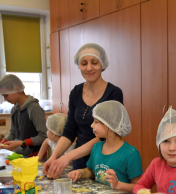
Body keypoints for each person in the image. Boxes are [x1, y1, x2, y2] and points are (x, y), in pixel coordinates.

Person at [43, 43, 123, 177]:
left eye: (95, 62)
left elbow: (106, 136)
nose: (89, 68)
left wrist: (68, 156)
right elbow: (69, 130)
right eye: (84, 63)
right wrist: (55, 156)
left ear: (102, 64)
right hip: (79, 163)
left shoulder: (114, 94)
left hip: (105, 162)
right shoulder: (76, 92)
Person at [68, 101, 143, 192]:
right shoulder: (96, 148)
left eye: (96, 122)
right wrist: (80, 172)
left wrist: (118, 185)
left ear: (109, 124)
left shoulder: (131, 154)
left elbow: (138, 187)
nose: (92, 125)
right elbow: (92, 171)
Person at [0, 74, 47, 157]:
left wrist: (21, 143)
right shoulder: (14, 110)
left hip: (36, 157)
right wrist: (3, 142)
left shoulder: (34, 108)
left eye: (6, 95)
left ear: (16, 89)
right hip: (21, 156)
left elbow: (44, 136)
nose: (5, 99)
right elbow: (13, 133)